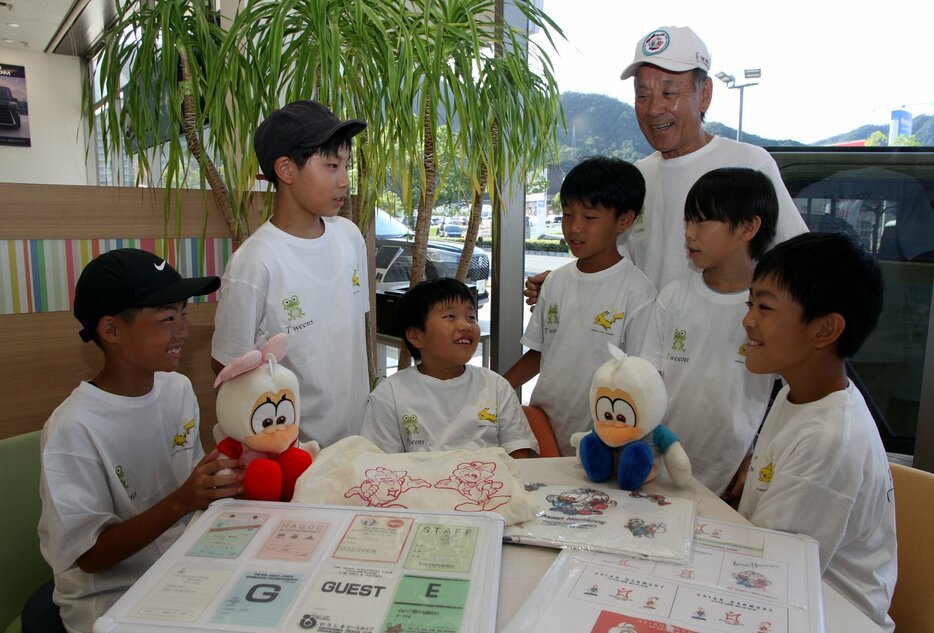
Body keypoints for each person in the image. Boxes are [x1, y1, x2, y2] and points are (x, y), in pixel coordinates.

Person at [38, 248, 243, 633]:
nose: (183, 330)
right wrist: (185, 498)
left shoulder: (177, 389)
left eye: (183, 313)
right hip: (112, 600)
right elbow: (91, 556)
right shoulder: (73, 428)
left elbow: (194, 488)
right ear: (111, 330)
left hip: (182, 569)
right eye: (167, 318)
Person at [524, 25, 807, 301]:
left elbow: (797, 264)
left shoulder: (748, 164)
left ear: (704, 94)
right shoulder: (637, 177)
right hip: (644, 344)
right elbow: (614, 263)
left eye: (668, 93)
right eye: (643, 95)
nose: (653, 108)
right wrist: (563, 283)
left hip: (728, 344)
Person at [737, 232, 896, 632]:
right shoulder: (797, 391)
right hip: (782, 591)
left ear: (825, 330)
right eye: (749, 302)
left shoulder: (829, 439)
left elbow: (767, 576)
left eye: (766, 307)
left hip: (830, 615)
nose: (748, 320)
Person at [212, 99, 369, 447]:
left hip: (360, 440)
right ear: (285, 170)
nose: (344, 181)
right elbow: (225, 366)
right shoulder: (254, 262)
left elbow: (353, 333)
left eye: (347, 166)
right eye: (331, 165)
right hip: (295, 453)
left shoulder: (349, 236)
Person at [641, 167, 780, 498]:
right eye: (687, 221)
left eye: (701, 221)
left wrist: (761, 457)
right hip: (661, 467)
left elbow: (792, 398)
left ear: (748, 227)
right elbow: (647, 380)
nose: (689, 233)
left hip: (734, 480)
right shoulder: (674, 297)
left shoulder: (773, 308)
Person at [504, 156, 656, 456]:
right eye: (567, 215)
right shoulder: (556, 282)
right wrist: (493, 391)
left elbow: (641, 380)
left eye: (589, 218)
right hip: (544, 429)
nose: (574, 228)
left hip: (602, 440)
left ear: (624, 220)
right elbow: (539, 353)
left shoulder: (639, 293)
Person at [361, 278, 538, 458]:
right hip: (421, 484)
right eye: (450, 316)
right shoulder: (390, 394)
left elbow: (519, 451)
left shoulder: (495, 385)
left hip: (490, 483)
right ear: (416, 336)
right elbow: (379, 464)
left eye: (471, 317)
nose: (465, 325)